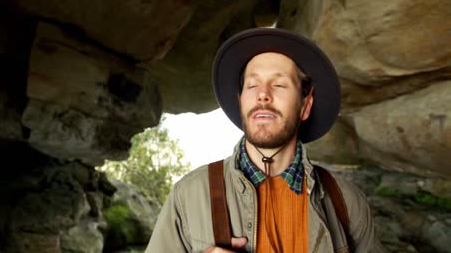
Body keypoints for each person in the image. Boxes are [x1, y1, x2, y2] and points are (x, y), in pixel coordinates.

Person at [145, 28, 386, 253]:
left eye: (279, 84)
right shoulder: (188, 195)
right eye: (252, 85)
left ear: (305, 105)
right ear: (241, 102)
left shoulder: (346, 201)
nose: (262, 94)